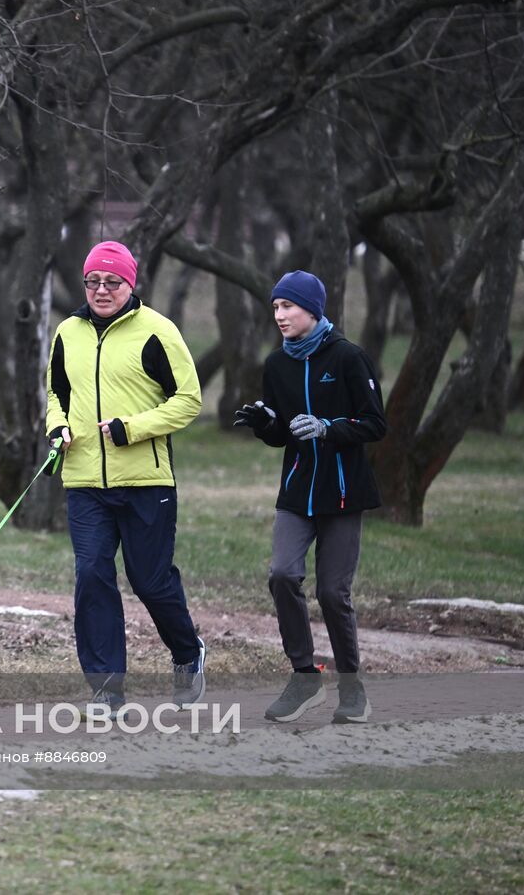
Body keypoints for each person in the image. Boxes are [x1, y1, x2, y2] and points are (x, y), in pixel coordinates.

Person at [44, 240, 207, 713]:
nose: (101, 290)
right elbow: (56, 394)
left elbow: (189, 400)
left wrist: (131, 429)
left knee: (150, 582)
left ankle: (187, 652)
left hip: (145, 481)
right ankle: (106, 690)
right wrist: (58, 427)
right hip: (84, 483)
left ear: (130, 284)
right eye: (92, 281)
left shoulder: (158, 331)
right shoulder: (67, 332)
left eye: (112, 282)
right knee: (92, 576)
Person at [234, 269, 385, 724]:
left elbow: (375, 424)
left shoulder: (348, 357)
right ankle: (304, 677)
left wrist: (327, 428)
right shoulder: (276, 364)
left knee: (333, 593)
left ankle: (353, 689)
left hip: (342, 493)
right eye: (275, 307)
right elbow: (282, 433)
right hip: (297, 492)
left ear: (313, 310)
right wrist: (266, 425)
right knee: (282, 574)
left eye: (288, 306)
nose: (279, 315)